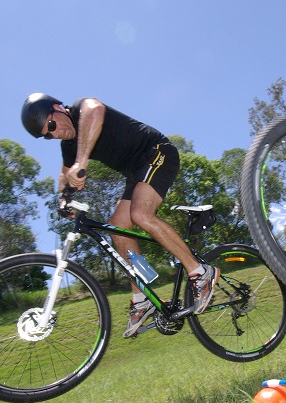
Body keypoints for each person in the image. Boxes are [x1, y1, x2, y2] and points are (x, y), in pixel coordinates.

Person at [21, 92, 219, 338]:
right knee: (117, 227)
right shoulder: (68, 147)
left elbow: (96, 111)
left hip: (157, 152)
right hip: (136, 173)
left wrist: (82, 161)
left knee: (140, 214)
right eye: (47, 135)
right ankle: (142, 298)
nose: (54, 134)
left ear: (58, 108)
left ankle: (200, 272)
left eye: (51, 125)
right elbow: (63, 175)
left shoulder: (82, 108)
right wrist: (63, 199)